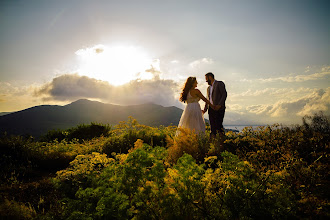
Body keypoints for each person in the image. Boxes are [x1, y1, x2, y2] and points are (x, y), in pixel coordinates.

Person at [202, 72, 227, 141]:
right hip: (211, 109)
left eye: (206, 78)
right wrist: (205, 109)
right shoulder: (208, 88)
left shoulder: (219, 83)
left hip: (219, 109)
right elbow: (208, 99)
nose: (206, 80)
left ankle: (222, 141)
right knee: (212, 126)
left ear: (210, 77)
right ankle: (212, 142)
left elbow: (224, 94)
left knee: (219, 125)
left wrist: (220, 105)